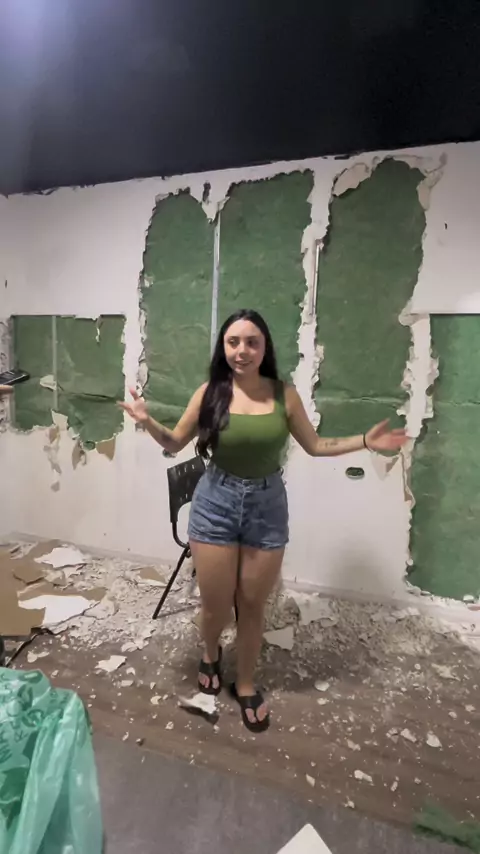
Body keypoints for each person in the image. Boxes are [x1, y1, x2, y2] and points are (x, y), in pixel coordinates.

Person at [120, 308, 407, 732]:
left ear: (264, 348)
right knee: (215, 607)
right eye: (233, 342)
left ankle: (246, 682)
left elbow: (315, 445)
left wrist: (365, 440)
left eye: (252, 342)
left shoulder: (283, 395)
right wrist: (147, 422)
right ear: (223, 347)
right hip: (215, 505)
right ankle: (210, 653)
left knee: (253, 605)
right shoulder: (210, 393)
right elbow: (175, 442)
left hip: (266, 507)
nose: (242, 350)